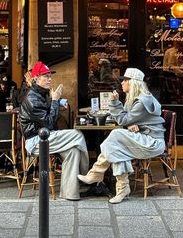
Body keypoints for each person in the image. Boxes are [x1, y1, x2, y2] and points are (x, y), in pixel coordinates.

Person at [78, 68, 165, 204]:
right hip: (144, 138)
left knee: (116, 135)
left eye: (125, 80)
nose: (122, 83)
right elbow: (127, 119)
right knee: (117, 148)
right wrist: (130, 124)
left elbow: (123, 120)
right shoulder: (139, 99)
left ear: (134, 83)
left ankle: (96, 173)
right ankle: (121, 189)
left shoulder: (142, 102)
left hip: (152, 143)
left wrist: (114, 103)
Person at [20, 61, 89, 200]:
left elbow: (48, 115)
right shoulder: (32, 98)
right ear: (36, 79)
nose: (49, 79)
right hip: (36, 141)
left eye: (50, 76)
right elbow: (49, 123)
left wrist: (56, 101)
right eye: (45, 76)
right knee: (77, 135)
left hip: (47, 137)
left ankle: (70, 193)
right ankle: (88, 177)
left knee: (73, 151)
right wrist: (55, 101)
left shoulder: (41, 94)